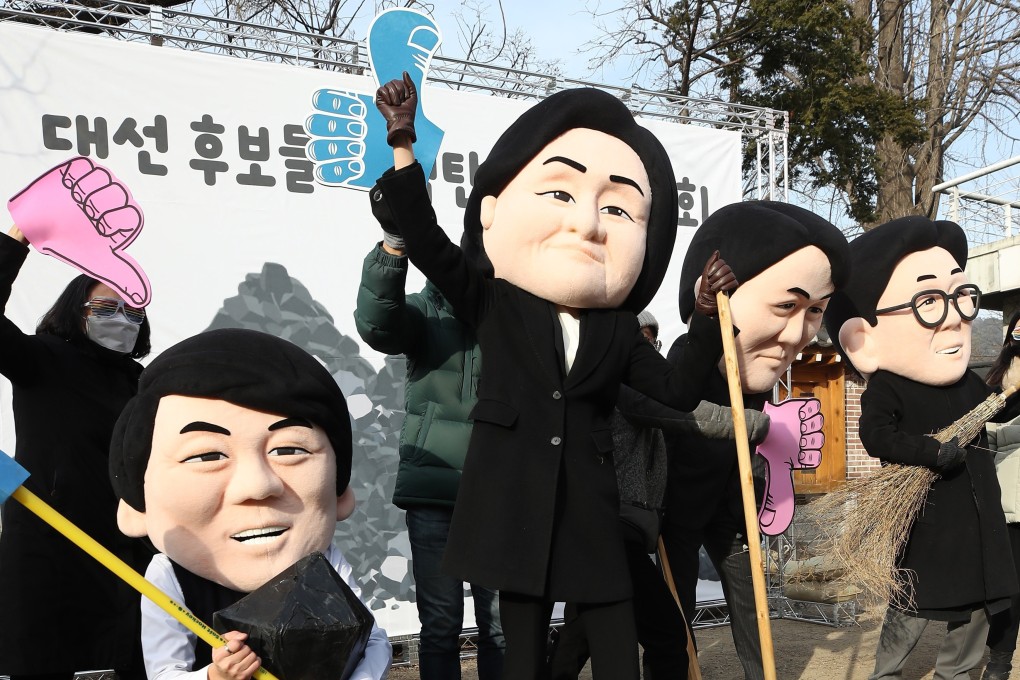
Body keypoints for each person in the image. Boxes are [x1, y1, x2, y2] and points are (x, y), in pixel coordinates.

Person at [370, 76, 736, 680]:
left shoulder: (618, 329)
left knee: (617, 650)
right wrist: (402, 139)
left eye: (616, 209)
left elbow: (675, 391)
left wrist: (702, 318)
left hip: (592, 512)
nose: (589, 225)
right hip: (514, 503)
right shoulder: (496, 302)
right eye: (563, 194)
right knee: (521, 657)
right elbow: (430, 243)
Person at [108, 328, 391, 680]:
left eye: (289, 449)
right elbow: (165, 672)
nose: (258, 486)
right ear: (138, 507)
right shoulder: (169, 576)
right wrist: (215, 676)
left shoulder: (325, 562)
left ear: (339, 492)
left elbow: (371, 638)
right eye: (207, 455)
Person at [823, 216, 1020, 680]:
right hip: (928, 516)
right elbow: (876, 436)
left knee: (980, 602)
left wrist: (1013, 391)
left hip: (979, 513)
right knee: (911, 601)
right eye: (929, 301)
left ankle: (957, 673)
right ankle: (886, 674)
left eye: (959, 297)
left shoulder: (966, 380)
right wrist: (932, 453)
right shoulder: (888, 385)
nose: (953, 316)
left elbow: (992, 412)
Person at [661, 200, 850, 680]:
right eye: (786, 305)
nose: (797, 333)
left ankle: (760, 672)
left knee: (751, 599)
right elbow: (680, 411)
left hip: (733, 504)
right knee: (675, 606)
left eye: (814, 311)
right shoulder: (689, 355)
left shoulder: (760, 375)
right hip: (679, 505)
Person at [0, 224, 154, 680]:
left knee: (118, 659)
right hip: (48, 539)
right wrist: (14, 243)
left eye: (133, 311)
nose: (121, 318)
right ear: (76, 309)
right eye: (105, 307)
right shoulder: (42, 358)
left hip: (124, 548)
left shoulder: (145, 383)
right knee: (39, 656)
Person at [353, 235, 504, 680]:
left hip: (495, 494)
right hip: (433, 495)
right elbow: (378, 324)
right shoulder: (424, 309)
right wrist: (393, 248)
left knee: (501, 630)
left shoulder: (508, 317)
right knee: (440, 626)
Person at [983, 311, 1020, 680]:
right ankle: (999, 663)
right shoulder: (997, 380)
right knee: (1011, 588)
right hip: (1011, 497)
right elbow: (986, 432)